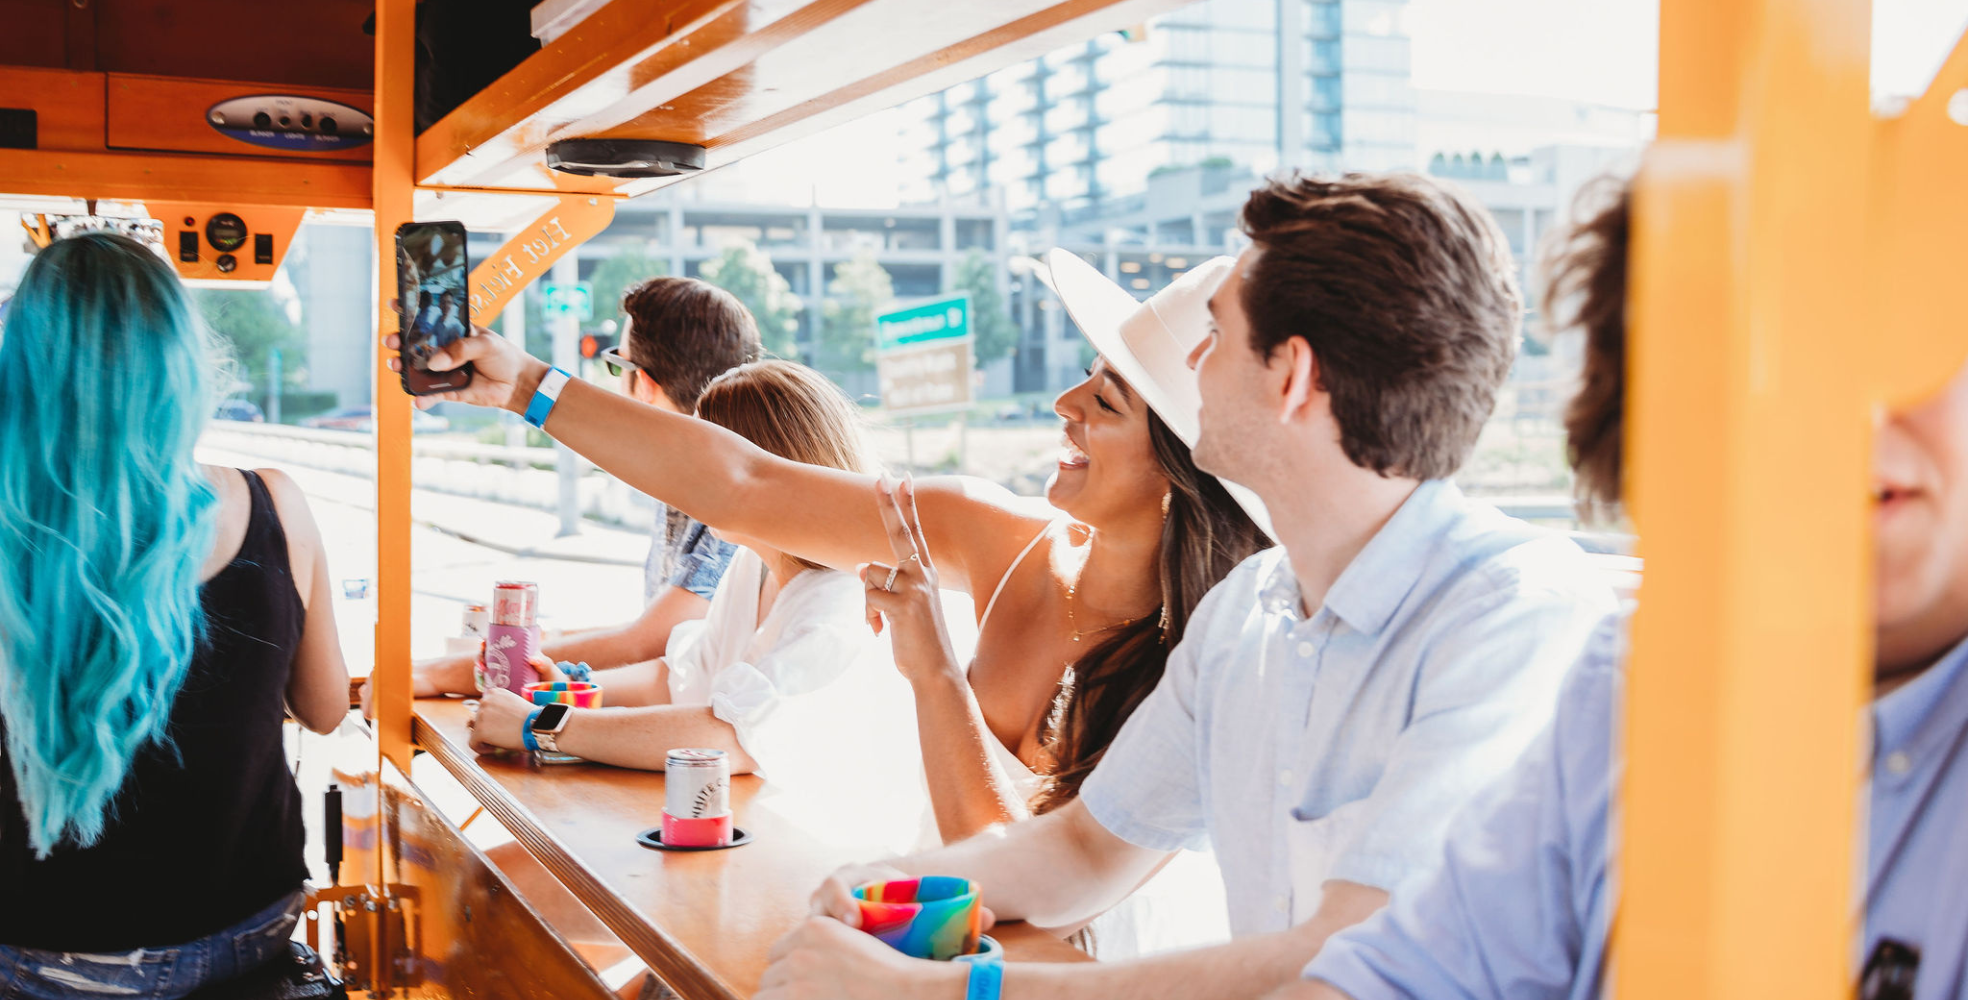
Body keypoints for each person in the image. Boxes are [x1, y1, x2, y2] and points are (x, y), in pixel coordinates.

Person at [755, 172, 1620, 1000]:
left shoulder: (1515, 622)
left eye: (1213, 335)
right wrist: (886, 880)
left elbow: (1347, 969)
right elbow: (1090, 849)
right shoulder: (1248, 609)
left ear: (1295, 378)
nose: (1192, 368)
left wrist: (956, 992)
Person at [388, 219, 1271, 959]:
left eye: (1107, 401)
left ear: (1187, 470)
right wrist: (527, 389)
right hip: (929, 947)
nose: (1063, 402)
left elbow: (1027, 879)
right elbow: (746, 482)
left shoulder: (1208, 649)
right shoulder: (994, 536)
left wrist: (933, 676)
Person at [1281, 182, 1968, 1000]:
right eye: (1767, 351)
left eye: (1906, 339)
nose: (1848, 411)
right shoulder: (1637, 681)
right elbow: (1411, 974)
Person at [0, 233, 351, 999]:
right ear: (180, 365)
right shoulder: (273, 505)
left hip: (34, 949)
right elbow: (326, 709)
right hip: (242, 930)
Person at [461, 360, 920, 819]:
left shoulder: (839, 600)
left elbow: (729, 737)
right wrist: (571, 690)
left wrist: (539, 724)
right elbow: (679, 678)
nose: (681, 481)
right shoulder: (753, 567)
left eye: (698, 461)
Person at [381, 276, 759, 704]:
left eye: (618, 365)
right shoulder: (719, 475)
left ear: (645, 384)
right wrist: (534, 649)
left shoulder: (730, 504)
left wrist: (445, 673)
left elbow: (651, 643)